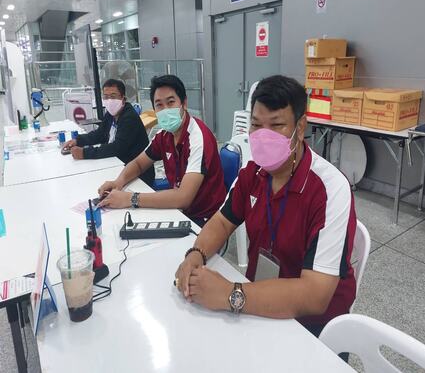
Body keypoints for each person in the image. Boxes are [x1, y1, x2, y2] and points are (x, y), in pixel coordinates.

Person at [174, 75, 357, 337]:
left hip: (313, 328)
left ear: (300, 127)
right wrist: (196, 254)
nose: (263, 136)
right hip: (256, 301)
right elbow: (223, 222)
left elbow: (316, 295)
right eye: (256, 125)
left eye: (277, 125)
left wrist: (229, 293)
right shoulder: (253, 173)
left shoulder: (330, 189)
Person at [98, 75, 226, 227]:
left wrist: (130, 198)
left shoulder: (198, 138)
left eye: (171, 102)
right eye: (159, 105)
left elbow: (183, 198)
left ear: (184, 103)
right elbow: (139, 163)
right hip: (179, 210)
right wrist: (118, 182)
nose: (165, 109)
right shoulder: (164, 135)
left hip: (205, 219)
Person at [63, 78, 155, 186]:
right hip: (118, 165)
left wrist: (84, 153)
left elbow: (117, 148)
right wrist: (78, 140)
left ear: (123, 99)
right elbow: (100, 134)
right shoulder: (111, 114)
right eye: (106, 97)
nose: (109, 100)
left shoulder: (129, 118)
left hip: (139, 175)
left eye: (113, 96)